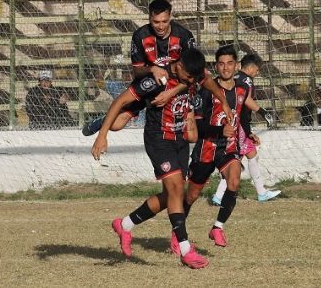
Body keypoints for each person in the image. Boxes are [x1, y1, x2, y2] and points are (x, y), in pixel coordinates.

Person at [91, 48, 209, 269]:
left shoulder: (189, 75)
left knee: (170, 196)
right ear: (179, 66)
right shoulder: (154, 80)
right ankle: (185, 250)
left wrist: (175, 94)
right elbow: (119, 100)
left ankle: (124, 225)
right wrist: (102, 136)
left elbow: (193, 82)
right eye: (189, 77)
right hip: (159, 139)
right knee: (175, 190)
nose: (192, 81)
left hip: (180, 140)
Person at [83, 0, 232, 135]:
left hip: (178, 85)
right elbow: (137, 70)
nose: (161, 26)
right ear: (149, 19)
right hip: (149, 84)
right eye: (156, 22)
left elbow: (195, 73)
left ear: (170, 17)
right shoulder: (140, 36)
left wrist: (170, 92)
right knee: (116, 125)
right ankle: (103, 121)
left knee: (191, 136)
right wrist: (152, 69)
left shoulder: (184, 36)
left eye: (164, 21)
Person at [180, 46, 247, 252]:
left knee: (234, 180)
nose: (225, 68)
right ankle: (177, 233)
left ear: (237, 65)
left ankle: (217, 227)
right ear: (215, 66)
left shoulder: (243, 88)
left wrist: (249, 131)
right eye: (221, 63)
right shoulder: (206, 91)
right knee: (191, 195)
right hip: (206, 147)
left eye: (230, 63)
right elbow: (197, 126)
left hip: (228, 147)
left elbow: (243, 114)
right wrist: (220, 130)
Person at [212, 53, 280, 204]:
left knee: (247, 156)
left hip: (236, 125)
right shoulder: (246, 80)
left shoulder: (235, 78)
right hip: (239, 126)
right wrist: (263, 113)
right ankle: (221, 195)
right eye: (258, 69)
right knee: (241, 158)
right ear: (251, 67)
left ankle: (220, 195)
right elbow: (245, 102)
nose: (258, 72)